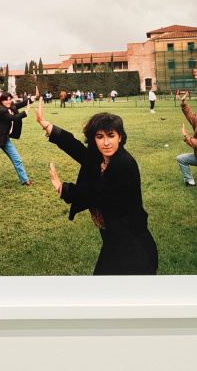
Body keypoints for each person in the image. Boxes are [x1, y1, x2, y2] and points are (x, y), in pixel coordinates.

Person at [35, 99, 158, 275]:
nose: (106, 142)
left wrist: (63, 188)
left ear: (120, 137)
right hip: (114, 241)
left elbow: (96, 192)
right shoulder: (102, 158)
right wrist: (46, 124)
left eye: (111, 135)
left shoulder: (124, 164)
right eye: (100, 137)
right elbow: (77, 148)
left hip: (132, 245)